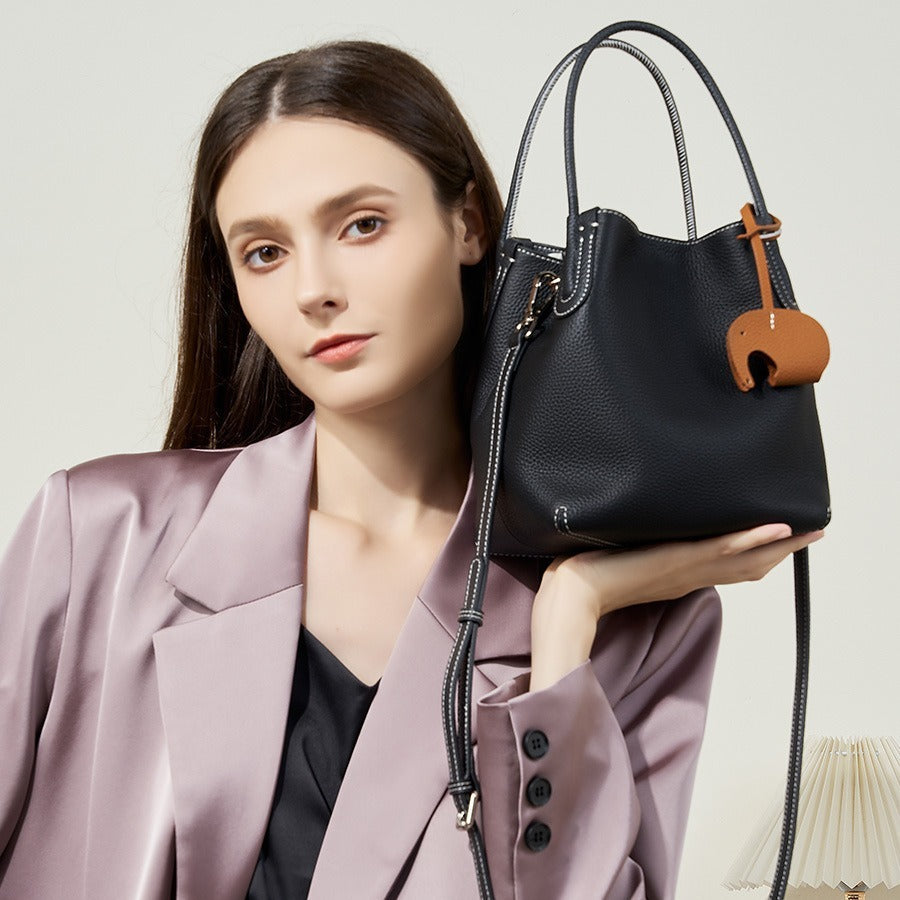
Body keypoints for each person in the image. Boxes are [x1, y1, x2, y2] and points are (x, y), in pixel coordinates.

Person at [0, 38, 824, 900]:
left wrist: (567, 624)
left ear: (467, 223)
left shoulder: (641, 625)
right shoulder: (97, 536)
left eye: (361, 224)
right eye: (264, 252)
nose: (314, 288)